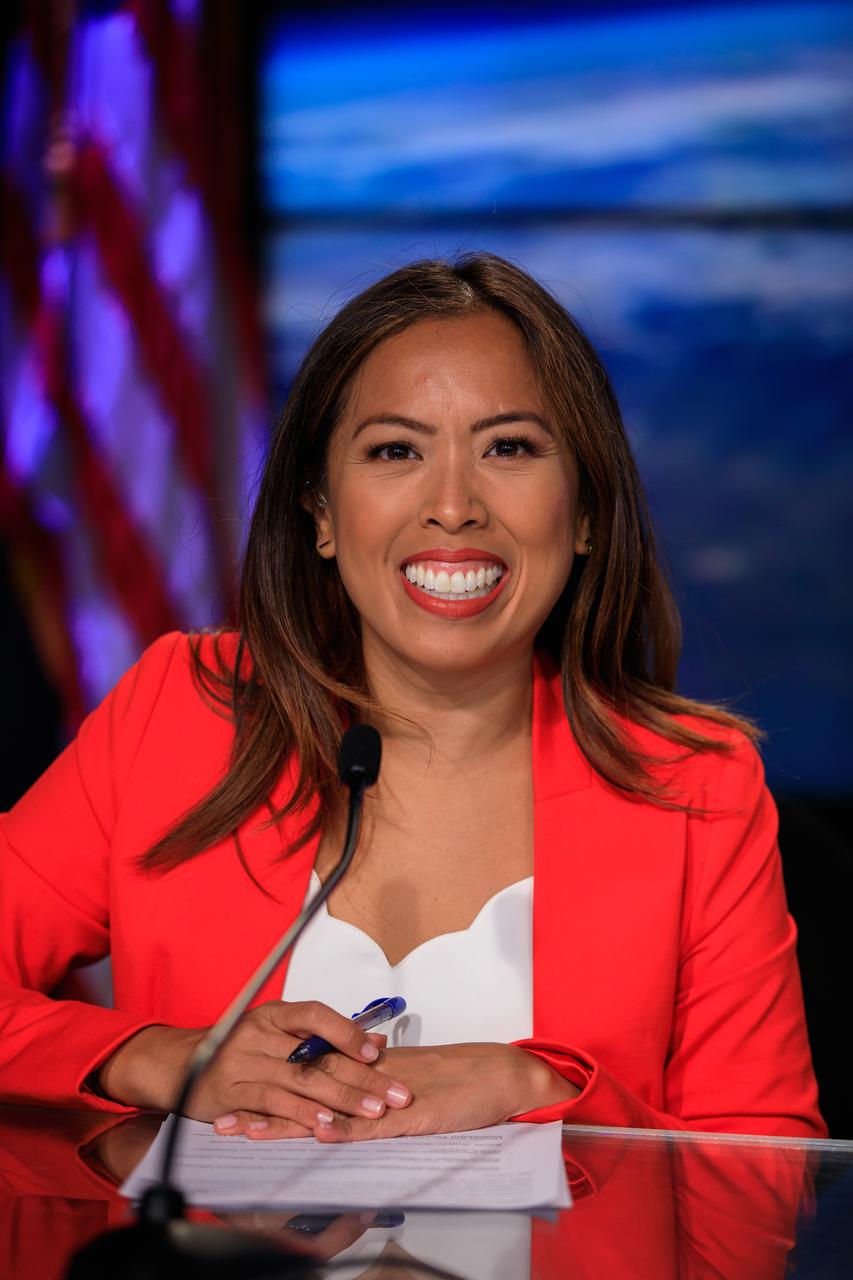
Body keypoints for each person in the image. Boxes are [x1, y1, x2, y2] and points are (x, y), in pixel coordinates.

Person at [0, 254, 825, 1142]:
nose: (453, 505)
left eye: (508, 447)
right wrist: (158, 1057)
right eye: (395, 450)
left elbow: (766, 1169)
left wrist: (535, 1086)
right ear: (319, 512)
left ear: (584, 512)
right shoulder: (182, 710)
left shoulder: (698, 787)